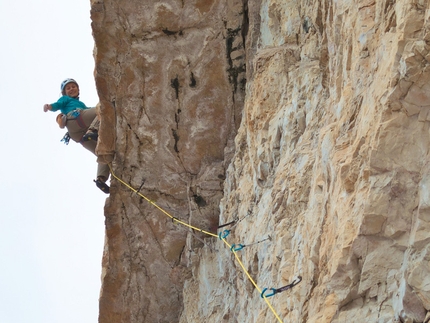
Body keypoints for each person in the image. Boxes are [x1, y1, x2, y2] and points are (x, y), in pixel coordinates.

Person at [44, 78, 110, 194]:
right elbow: (57, 105)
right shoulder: (65, 99)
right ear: (64, 92)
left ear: (78, 89)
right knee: (103, 106)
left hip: (77, 135)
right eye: (68, 88)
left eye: (73, 87)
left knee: (103, 151)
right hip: (75, 118)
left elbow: (90, 111)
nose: (71, 89)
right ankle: (92, 130)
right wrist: (49, 107)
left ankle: (100, 179)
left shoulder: (82, 104)